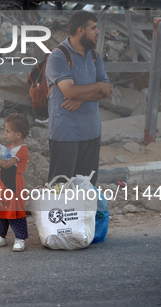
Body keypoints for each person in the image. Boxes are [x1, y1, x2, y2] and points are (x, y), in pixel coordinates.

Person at [45, 11, 113, 186]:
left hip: (92, 132)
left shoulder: (94, 55)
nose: (97, 32)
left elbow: (107, 90)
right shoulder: (59, 56)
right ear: (81, 30)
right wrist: (96, 87)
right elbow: (69, 91)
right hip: (66, 133)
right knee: (61, 187)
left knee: (87, 188)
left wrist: (81, 98)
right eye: (94, 28)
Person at [0, 113, 31, 252]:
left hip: (14, 184)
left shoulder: (22, 150)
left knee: (15, 209)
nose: (5, 133)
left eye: (8, 131)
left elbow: (7, 164)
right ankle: (0, 236)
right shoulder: (11, 146)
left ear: (18, 135)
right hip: (3, 183)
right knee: (1, 207)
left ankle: (20, 238)